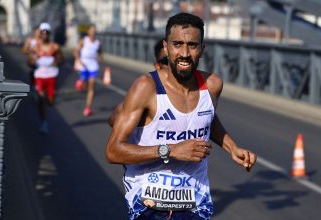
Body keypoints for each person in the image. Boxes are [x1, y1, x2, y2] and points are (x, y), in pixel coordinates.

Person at [106, 13, 256, 220]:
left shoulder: (212, 85)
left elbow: (207, 119)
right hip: (149, 205)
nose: (185, 53)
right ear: (166, 47)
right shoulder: (146, 88)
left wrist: (232, 147)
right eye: (177, 44)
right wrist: (171, 150)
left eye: (192, 45)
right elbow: (113, 151)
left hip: (195, 204)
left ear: (202, 50)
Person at [30, 22, 62, 133]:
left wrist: (57, 62)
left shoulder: (55, 47)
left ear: (49, 34)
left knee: (50, 102)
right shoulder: (36, 47)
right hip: (39, 75)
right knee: (40, 97)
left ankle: (50, 98)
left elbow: (61, 59)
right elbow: (29, 61)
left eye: (46, 32)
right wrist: (33, 60)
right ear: (40, 34)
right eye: (42, 32)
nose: (44, 34)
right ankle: (43, 122)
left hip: (51, 75)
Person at [73, 24, 103, 116]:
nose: (93, 32)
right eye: (92, 31)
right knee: (85, 85)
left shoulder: (98, 43)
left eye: (94, 31)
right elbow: (76, 51)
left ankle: (88, 108)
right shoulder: (83, 41)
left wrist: (100, 59)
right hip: (83, 65)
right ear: (88, 32)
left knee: (92, 86)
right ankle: (81, 81)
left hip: (93, 66)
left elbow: (100, 53)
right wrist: (78, 59)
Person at [22, 26, 40, 90]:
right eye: (37, 31)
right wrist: (31, 50)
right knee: (34, 80)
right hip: (33, 63)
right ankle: (35, 93)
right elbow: (24, 51)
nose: (39, 33)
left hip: (42, 63)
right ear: (34, 32)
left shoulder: (44, 40)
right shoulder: (30, 40)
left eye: (40, 31)